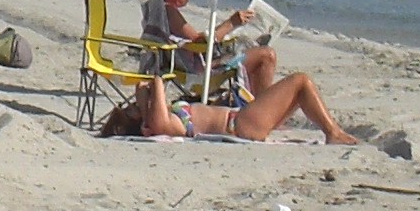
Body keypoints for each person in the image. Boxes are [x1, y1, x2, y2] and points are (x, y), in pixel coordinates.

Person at [97, 35, 357, 143]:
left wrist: (143, 98)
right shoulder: (157, 125)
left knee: (297, 86)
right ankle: (333, 132)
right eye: (130, 108)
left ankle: (332, 131)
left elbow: (145, 92)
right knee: (300, 81)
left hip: (241, 119)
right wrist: (153, 85)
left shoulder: (157, 117)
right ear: (140, 122)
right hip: (240, 124)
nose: (132, 102)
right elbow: (153, 89)